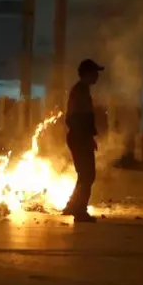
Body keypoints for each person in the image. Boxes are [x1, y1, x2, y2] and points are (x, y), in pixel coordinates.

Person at [62, 59, 104, 222]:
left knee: (84, 174)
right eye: (95, 73)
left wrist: (89, 136)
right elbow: (78, 117)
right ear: (87, 74)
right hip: (79, 136)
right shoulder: (80, 91)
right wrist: (86, 137)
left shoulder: (82, 90)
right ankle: (80, 211)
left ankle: (73, 205)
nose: (97, 76)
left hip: (80, 136)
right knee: (88, 174)